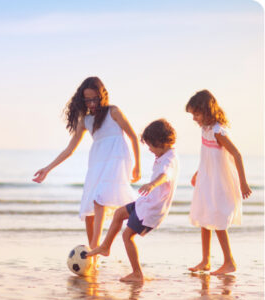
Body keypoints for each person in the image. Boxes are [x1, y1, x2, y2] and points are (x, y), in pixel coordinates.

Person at [32, 76, 140, 250]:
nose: (91, 103)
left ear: (102, 95)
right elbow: (69, 149)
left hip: (116, 159)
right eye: (87, 100)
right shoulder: (86, 121)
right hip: (97, 162)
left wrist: (137, 166)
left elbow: (133, 137)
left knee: (99, 200)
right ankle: (93, 252)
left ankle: (97, 248)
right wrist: (47, 169)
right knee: (90, 209)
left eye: (94, 99)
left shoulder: (114, 112)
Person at [87, 119, 179, 284]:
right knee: (119, 213)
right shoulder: (166, 154)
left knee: (127, 235)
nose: (150, 149)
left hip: (152, 210)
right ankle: (106, 246)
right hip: (145, 203)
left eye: (151, 146)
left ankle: (137, 273)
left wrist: (152, 184)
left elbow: (164, 175)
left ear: (161, 142)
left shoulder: (169, 160)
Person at [185, 90, 252, 275]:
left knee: (217, 218)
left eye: (196, 114)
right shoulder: (205, 129)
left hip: (219, 182)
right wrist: (198, 172)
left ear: (207, 111)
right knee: (204, 217)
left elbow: (236, 155)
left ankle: (229, 262)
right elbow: (208, 156)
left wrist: (243, 183)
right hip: (207, 178)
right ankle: (205, 260)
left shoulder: (218, 131)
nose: (193, 118)